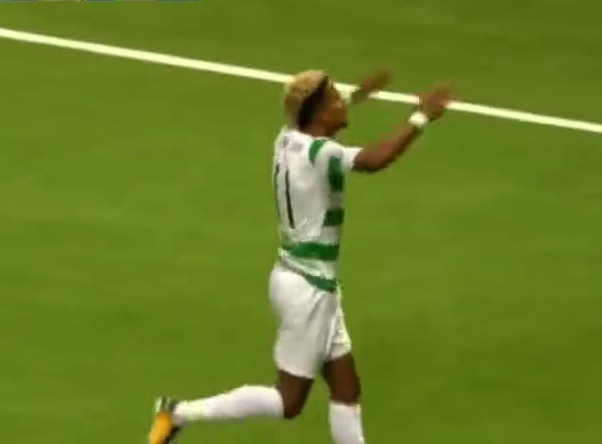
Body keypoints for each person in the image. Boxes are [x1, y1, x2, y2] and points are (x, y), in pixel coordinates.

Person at [148, 69, 452, 444]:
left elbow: (308, 112)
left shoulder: (287, 138)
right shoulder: (322, 154)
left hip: (300, 279)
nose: (342, 100)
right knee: (288, 401)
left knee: (346, 387)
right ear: (320, 114)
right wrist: (421, 116)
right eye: (335, 99)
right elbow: (375, 159)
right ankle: (178, 413)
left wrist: (358, 94)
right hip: (309, 291)